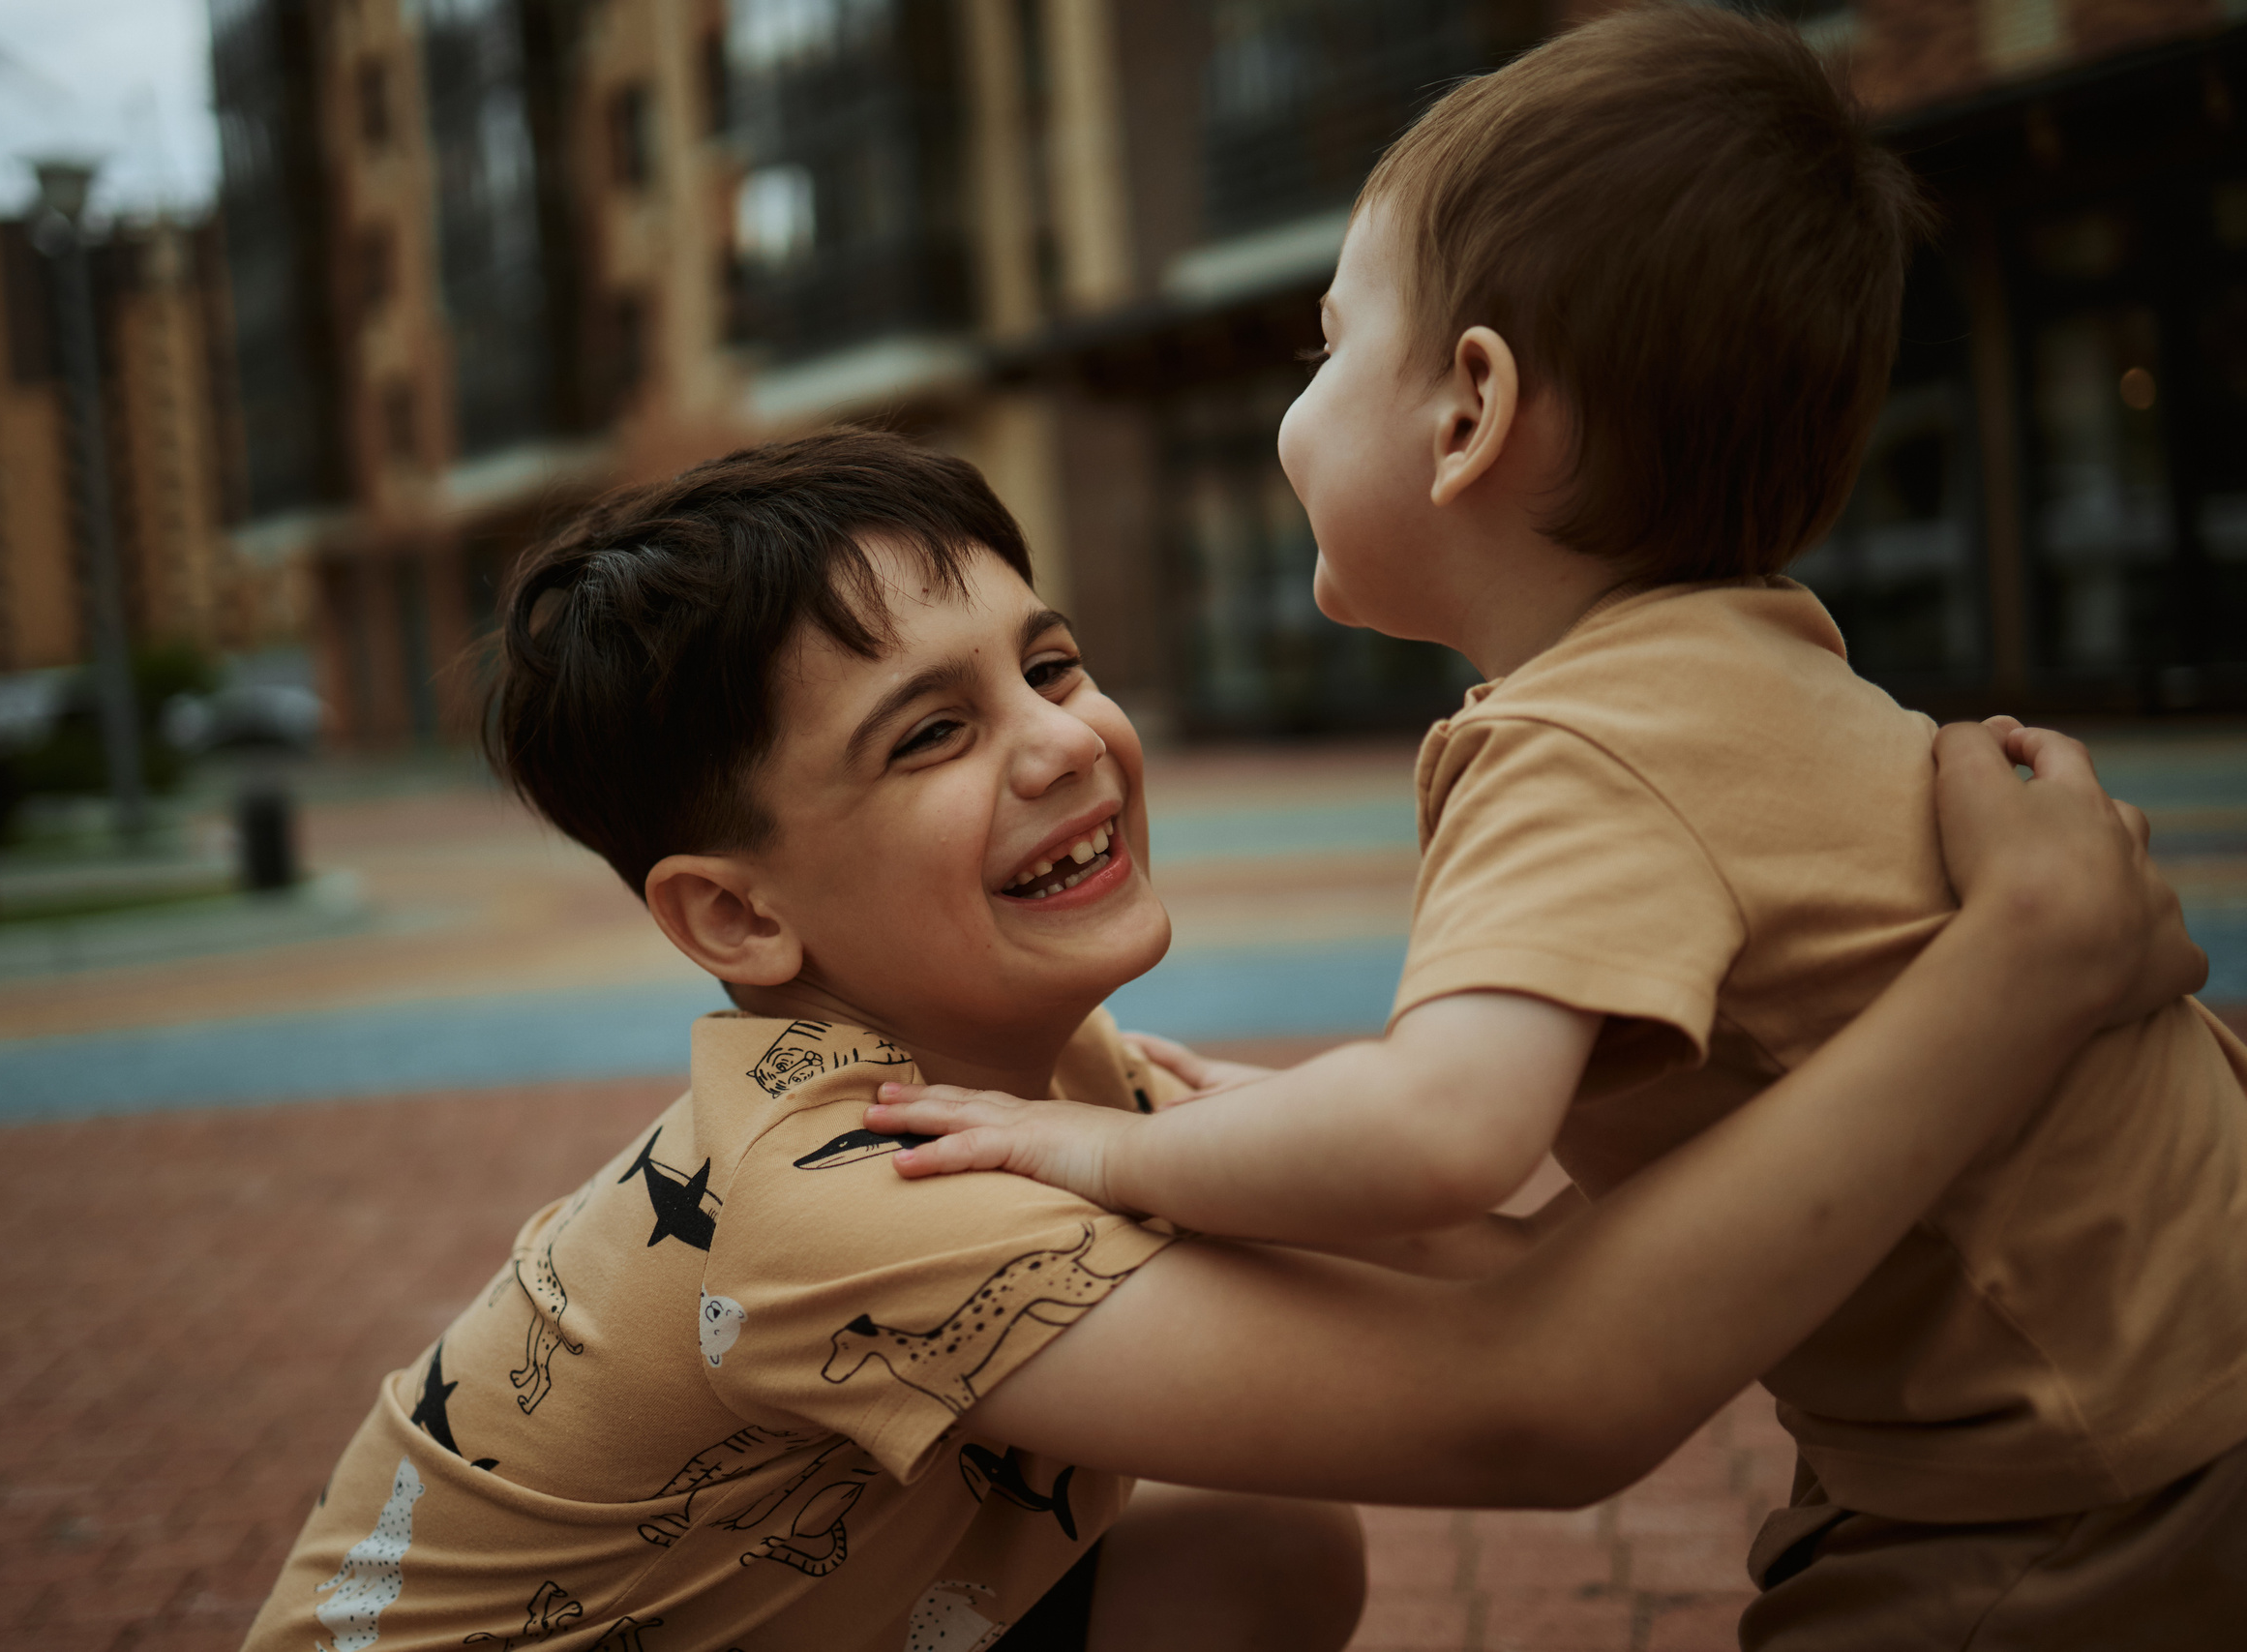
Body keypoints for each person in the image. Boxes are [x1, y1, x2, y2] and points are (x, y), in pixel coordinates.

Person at [240, 432, 2202, 1652]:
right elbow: (1544, 1397)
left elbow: (1535, 1274)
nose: (1056, 738)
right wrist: (2010, 969)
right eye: (927, 734)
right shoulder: (843, 1190)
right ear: (736, 914)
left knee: (1246, 1545)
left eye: (1050, 659)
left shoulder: (1087, 1092)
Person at [869, 12, 2247, 1648]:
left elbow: (1446, 1133)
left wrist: (1105, 1151)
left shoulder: (1573, 738)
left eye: (1327, 348)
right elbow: (1598, 1220)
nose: (1297, 404)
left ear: (1468, 411)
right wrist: (1282, 1140)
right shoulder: (1761, 678)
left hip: (2074, 1486)